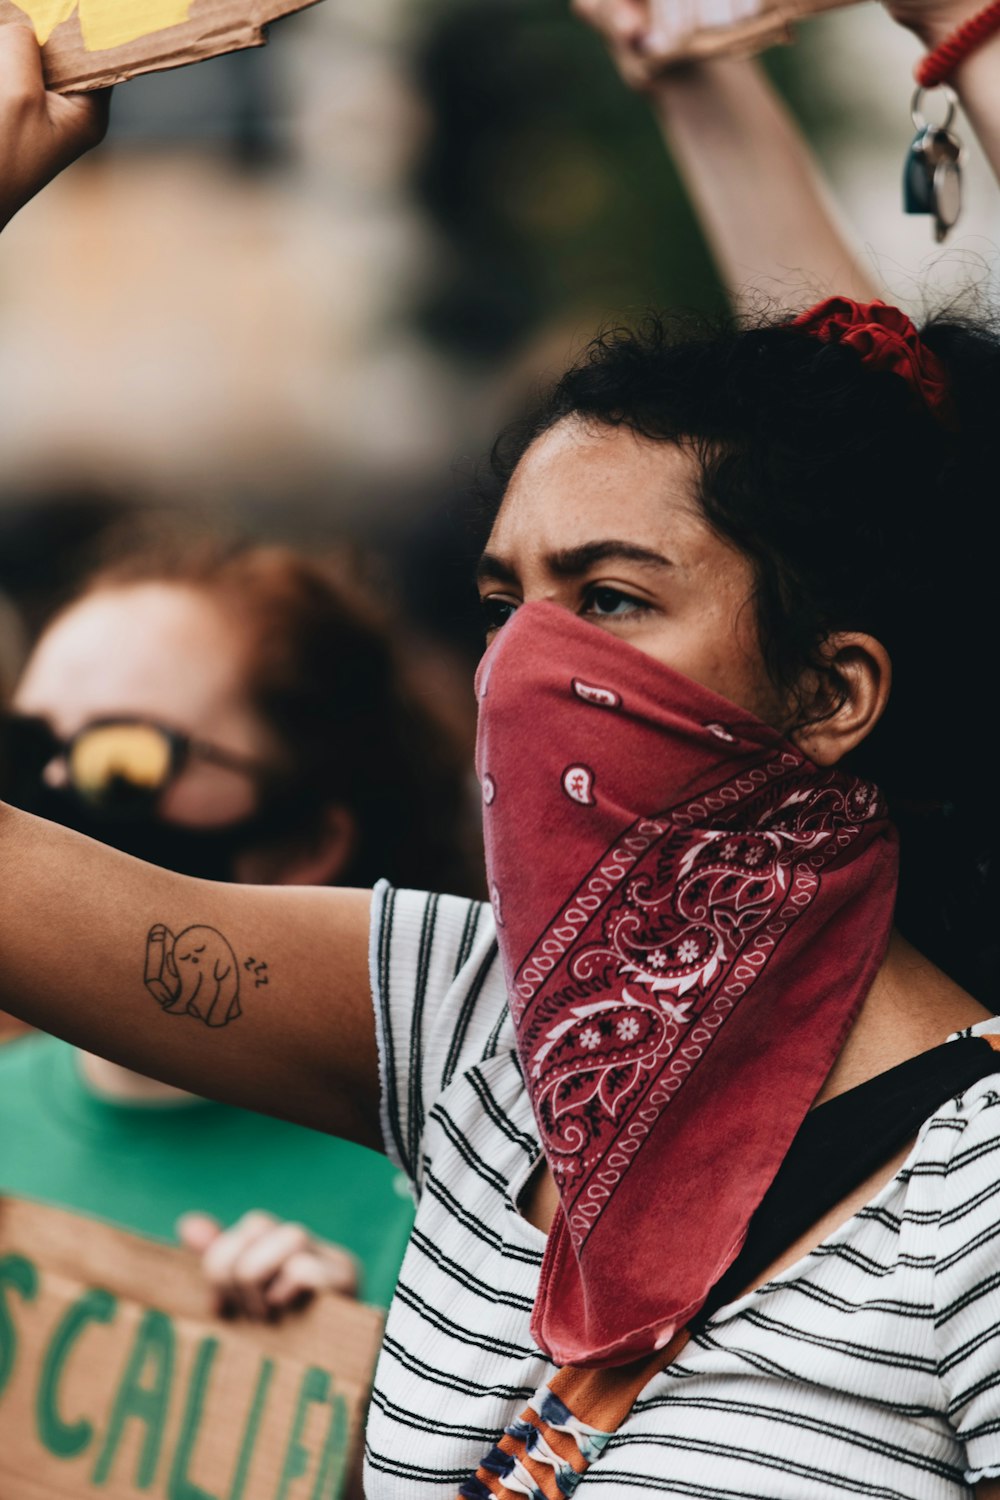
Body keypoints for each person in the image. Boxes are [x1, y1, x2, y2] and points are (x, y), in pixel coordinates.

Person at [3, 5, 1000, 1498]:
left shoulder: (974, 1196)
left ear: (832, 692)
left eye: (608, 600)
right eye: (498, 609)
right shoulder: (476, 1030)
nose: (530, 668)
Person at [0, 538, 477, 1315]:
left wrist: (358, 1374)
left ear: (303, 843)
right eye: (24, 749)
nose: (51, 785)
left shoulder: (448, 1193)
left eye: (121, 761)